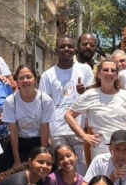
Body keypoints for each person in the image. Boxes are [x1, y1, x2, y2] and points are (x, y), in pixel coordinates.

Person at [66, 58, 126, 161]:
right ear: (98, 74)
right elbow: (68, 115)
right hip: (100, 152)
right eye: (105, 70)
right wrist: (83, 136)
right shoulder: (89, 95)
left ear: (117, 75)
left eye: (113, 70)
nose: (109, 73)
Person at [40, 35, 96, 175]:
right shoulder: (47, 75)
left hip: (80, 130)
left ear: (75, 50)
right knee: (63, 171)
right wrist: (46, 135)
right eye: (62, 46)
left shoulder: (85, 70)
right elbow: (43, 108)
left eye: (70, 46)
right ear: (56, 50)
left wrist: (83, 92)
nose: (66, 49)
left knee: (83, 171)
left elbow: (92, 98)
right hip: (57, 131)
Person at [3, 65, 54, 167]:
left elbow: (44, 129)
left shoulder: (45, 100)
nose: (25, 80)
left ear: (35, 80)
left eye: (29, 77)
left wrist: (43, 156)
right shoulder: (10, 101)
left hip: (38, 140)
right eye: (21, 78)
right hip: (19, 142)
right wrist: (17, 160)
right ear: (17, 81)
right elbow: (13, 131)